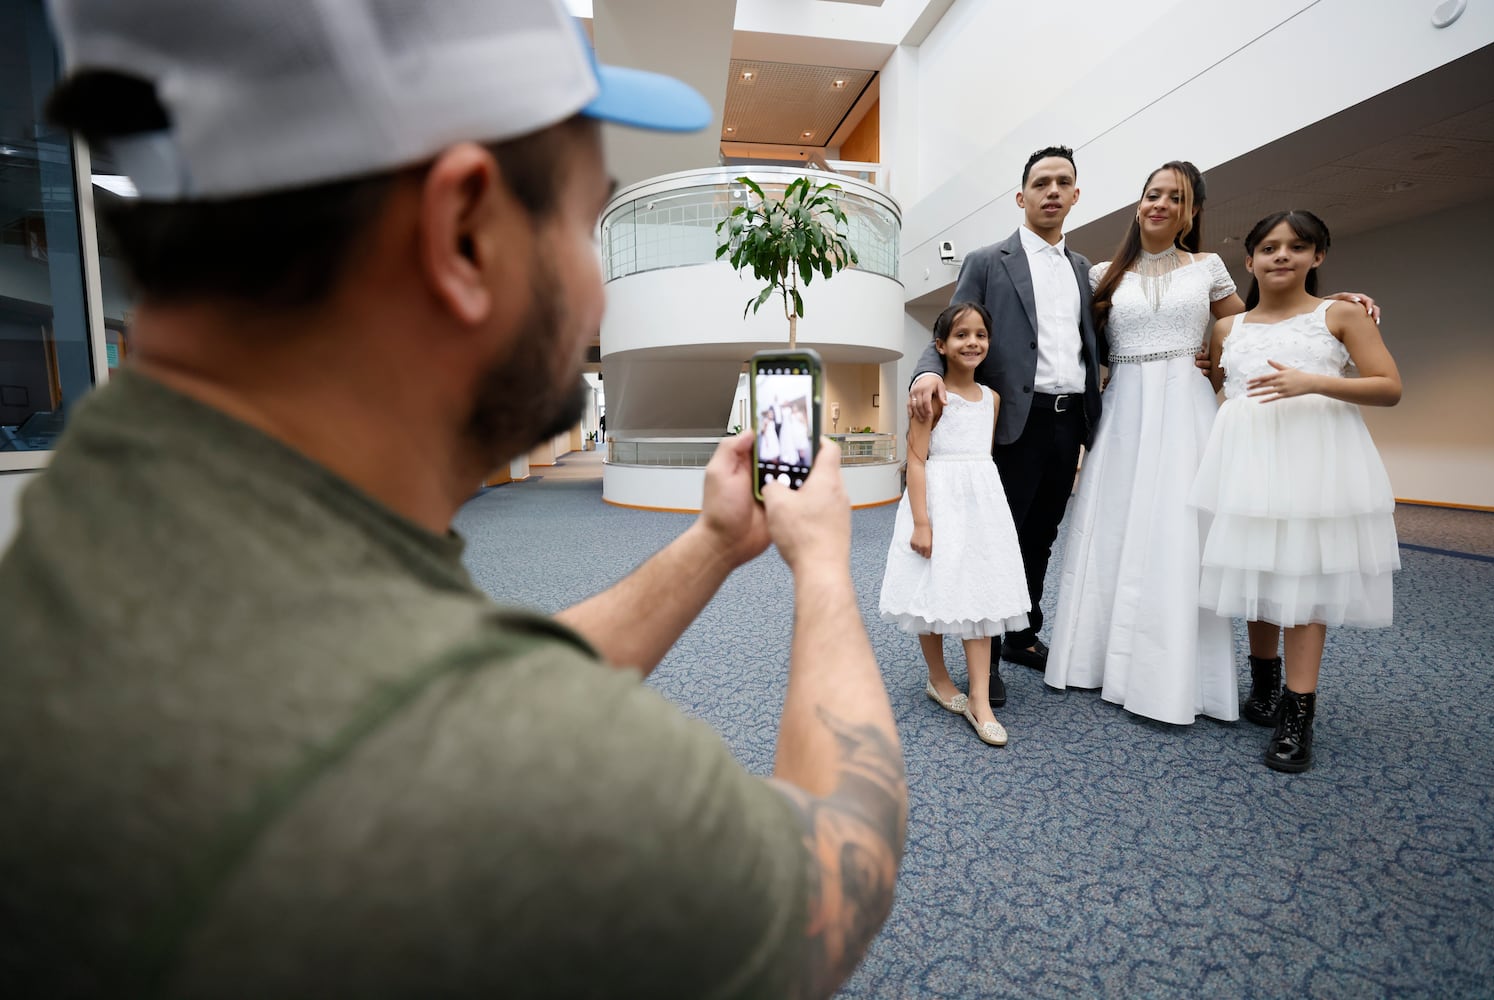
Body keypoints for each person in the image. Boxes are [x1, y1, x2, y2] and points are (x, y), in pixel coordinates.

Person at [0, 2, 907, 997]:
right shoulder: (510, 780)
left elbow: (451, 680)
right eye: (578, 220)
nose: (596, 294)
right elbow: (841, 862)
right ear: (464, 231)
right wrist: (822, 561)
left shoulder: (92, 530)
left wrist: (711, 543)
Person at [1192, 210, 1402, 772]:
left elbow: (1389, 387)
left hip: (1314, 461)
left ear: (1318, 256)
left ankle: (1298, 709)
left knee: (1302, 581)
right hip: (1246, 460)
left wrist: (1314, 381)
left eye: (1297, 246)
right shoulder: (1226, 329)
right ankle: (1263, 683)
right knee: (1254, 570)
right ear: (1250, 260)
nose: (1281, 255)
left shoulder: (1340, 314)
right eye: (1269, 247)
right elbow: (1216, 388)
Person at [1043, 161, 1241, 723]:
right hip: (1125, 405)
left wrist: (1333, 307)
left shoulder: (1210, 267)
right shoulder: (1103, 273)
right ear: (1138, 204)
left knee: (1177, 533)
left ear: (1191, 211)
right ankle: (1096, 662)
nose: (1159, 204)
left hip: (1185, 406)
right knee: (1114, 525)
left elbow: (1253, 325)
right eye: (1151, 194)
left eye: (1173, 198)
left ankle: (1174, 679)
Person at [909, 146, 1104, 709]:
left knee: (1044, 532)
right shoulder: (987, 260)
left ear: (1074, 195)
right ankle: (985, 658)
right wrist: (926, 374)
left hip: (1071, 421)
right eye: (1040, 183)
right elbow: (947, 327)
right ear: (1021, 197)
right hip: (1014, 421)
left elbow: (1096, 343)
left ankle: (1022, 630)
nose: (1052, 191)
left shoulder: (1083, 269)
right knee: (999, 538)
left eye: (1062, 182)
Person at [880, 303, 1031, 745]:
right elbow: (916, 458)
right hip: (937, 501)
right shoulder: (931, 395)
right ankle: (939, 678)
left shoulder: (992, 399)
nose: (972, 343)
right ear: (941, 345)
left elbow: (982, 457)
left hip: (980, 504)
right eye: (961, 335)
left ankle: (980, 700)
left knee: (979, 597)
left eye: (980, 334)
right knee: (932, 589)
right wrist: (922, 522)